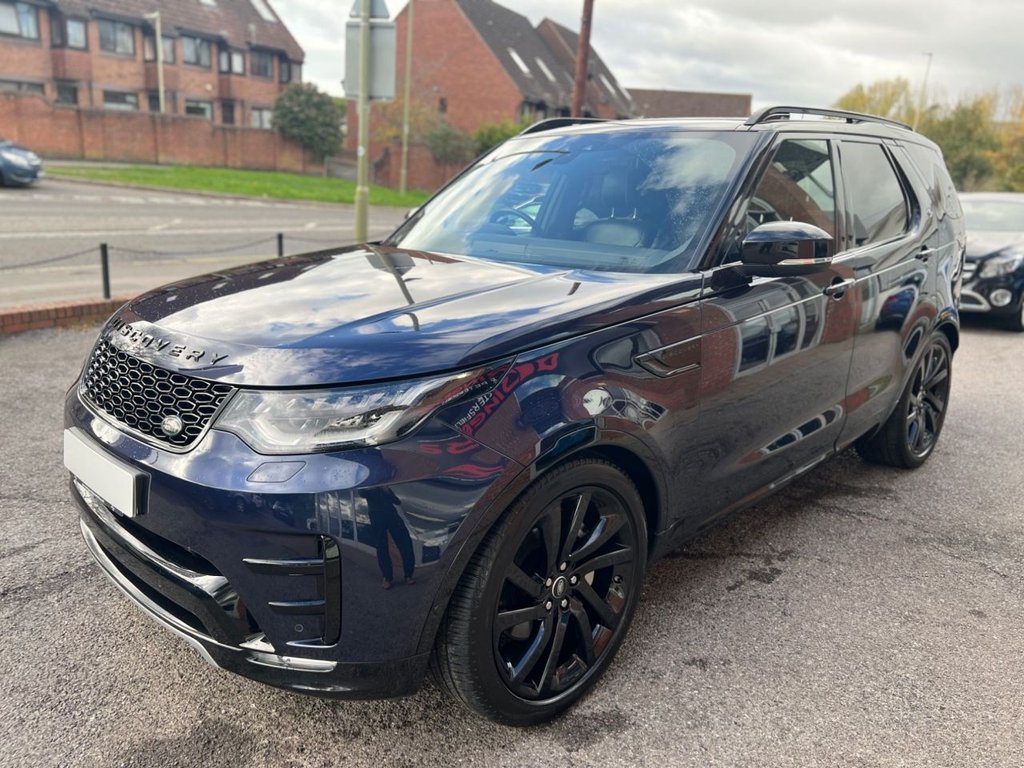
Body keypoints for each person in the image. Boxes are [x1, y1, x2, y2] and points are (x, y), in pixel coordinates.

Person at [361, 486, 416, 589]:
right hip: (377, 517)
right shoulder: (369, 485)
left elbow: (397, 501)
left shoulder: (384, 487)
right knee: (382, 546)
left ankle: (408, 574)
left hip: (392, 515)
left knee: (405, 543)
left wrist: (386, 490)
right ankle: (387, 577)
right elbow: (362, 493)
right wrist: (373, 487)